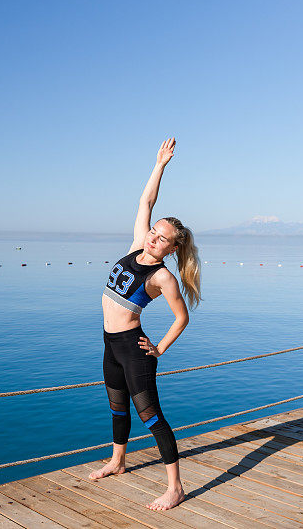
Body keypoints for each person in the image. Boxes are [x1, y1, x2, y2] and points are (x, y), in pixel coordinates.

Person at [89, 137, 202, 511]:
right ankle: (118, 461)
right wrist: (160, 165)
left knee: (151, 416)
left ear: (171, 248)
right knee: (117, 408)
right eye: (155, 231)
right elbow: (145, 202)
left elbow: (181, 317)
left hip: (133, 348)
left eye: (162, 238)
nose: (154, 237)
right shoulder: (138, 242)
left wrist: (160, 348)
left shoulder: (164, 277)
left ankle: (176, 487)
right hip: (110, 343)